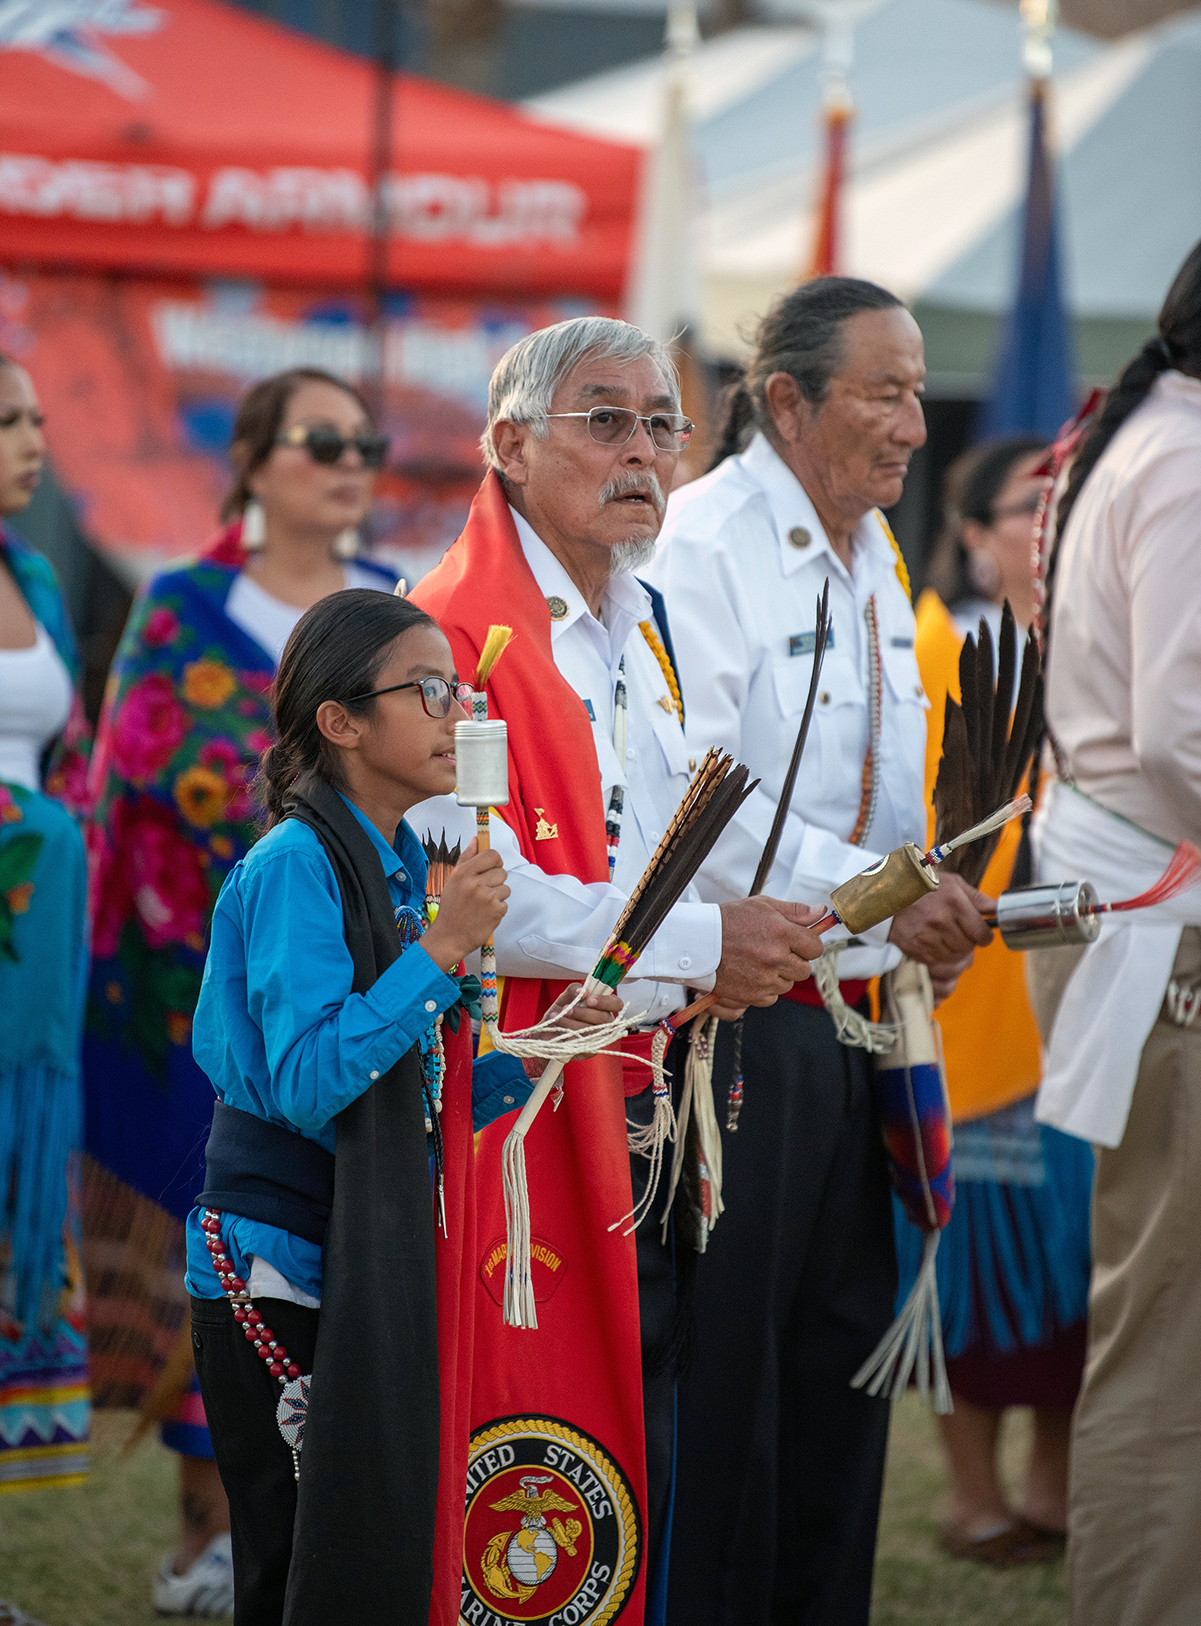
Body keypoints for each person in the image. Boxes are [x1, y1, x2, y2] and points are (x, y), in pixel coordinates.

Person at [410, 315, 826, 1626]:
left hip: (649, 1085)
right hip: (509, 1108)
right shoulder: (444, 638)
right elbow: (472, 896)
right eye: (606, 419)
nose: (643, 450)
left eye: (662, 422)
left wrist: (866, 901)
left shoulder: (640, 623)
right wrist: (707, 943)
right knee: (532, 1434)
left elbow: (692, 840)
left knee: (661, 1407)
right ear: (508, 446)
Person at [649, 277, 996, 1626]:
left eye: (916, 390)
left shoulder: (868, 550)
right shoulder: (706, 541)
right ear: (785, 399)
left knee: (840, 1380)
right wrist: (876, 898)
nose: (914, 421)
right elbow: (703, 793)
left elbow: (886, 808)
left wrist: (931, 911)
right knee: (730, 1391)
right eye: (886, 391)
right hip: (739, 1022)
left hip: (855, 1023)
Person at [187, 586, 617, 1624]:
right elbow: (307, 1081)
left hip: (353, 1239)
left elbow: (407, 1090)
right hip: (279, 1251)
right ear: (339, 722)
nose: (456, 713)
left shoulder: (390, 864)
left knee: (369, 1534)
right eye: (428, 691)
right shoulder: (297, 864)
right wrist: (440, 948)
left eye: (459, 689)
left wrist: (552, 1051)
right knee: (305, 1558)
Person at [85, 367, 397, 1617]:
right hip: (189, 993)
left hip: (357, 976)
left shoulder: (389, 613)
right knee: (213, 1245)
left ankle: (310, 1510)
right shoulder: (183, 607)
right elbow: (135, 776)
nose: (350, 458)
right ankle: (205, 1531)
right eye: (321, 439)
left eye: (365, 439)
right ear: (257, 460)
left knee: (333, 1243)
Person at [1030, 241, 1201, 1626]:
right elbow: (1181, 728)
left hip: (1136, 901)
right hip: (1163, 920)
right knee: (1170, 1333)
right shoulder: (1186, 457)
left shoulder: (1149, 439)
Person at [906, 438, 1092, 1565]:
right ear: (972, 534)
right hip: (967, 1005)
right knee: (966, 1266)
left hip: (1080, 1001)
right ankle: (970, 1492)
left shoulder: (1099, 648)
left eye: (1060, 504)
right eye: (1026, 506)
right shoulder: (926, 650)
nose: (1044, 524)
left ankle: (1056, 1486)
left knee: (1080, 1260)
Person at [0, 356, 92, 1499]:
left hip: (34, 948)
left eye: (36, 414)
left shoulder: (35, 577)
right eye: (4, 418)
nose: (31, 436)